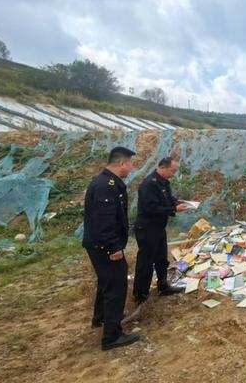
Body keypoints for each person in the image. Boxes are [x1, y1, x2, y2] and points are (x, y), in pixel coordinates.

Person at [82, 146, 138, 351]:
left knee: (107, 282)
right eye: (131, 163)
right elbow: (104, 221)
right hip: (105, 246)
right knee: (116, 286)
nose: (132, 167)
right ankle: (112, 336)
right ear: (122, 163)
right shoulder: (106, 185)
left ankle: (101, 318)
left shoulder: (105, 182)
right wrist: (114, 247)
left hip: (99, 244)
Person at [133, 157, 189, 305]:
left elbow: (167, 198)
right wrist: (174, 209)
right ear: (163, 167)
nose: (174, 173)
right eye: (172, 170)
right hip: (147, 228)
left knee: (162, 259)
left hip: (158, 227)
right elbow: (151, 208)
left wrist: (177, 202)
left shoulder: (163, 182)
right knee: (146, 262)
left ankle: (163, 287)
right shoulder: (149, 184)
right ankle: (140, 294)